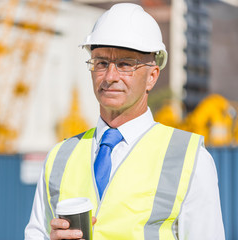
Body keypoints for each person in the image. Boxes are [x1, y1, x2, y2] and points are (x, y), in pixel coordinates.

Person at [25, 3, 225, 240]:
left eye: (125, 64)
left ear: (152, 76)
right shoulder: (59, 158)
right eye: (100, 63)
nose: (110, 76)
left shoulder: (191, 160)